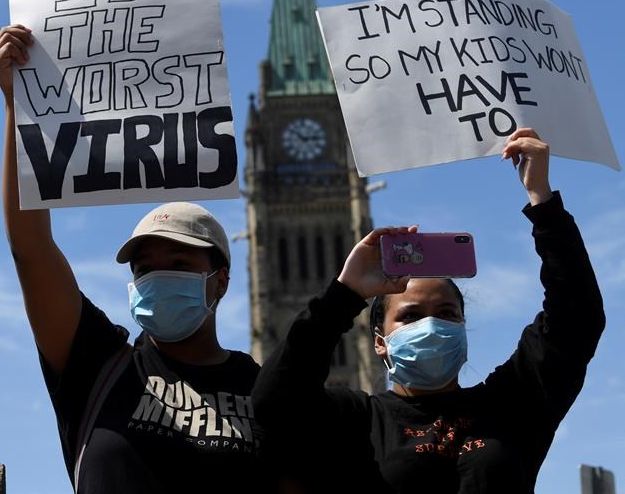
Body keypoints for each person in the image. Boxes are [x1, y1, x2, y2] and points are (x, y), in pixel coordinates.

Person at [0, 24, 269, 493]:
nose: (158, 276)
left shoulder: (265, 389)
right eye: (144, 267)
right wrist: (19, 104)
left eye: (179, 264)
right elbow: (31, 250)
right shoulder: (97, 363)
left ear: (220, 281)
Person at [252, 127, 605, 494]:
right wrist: (344, 294)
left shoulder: (508, 404)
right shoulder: (357, 421)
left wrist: (542, 200)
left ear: (464, 327)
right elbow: (274, 402)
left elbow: (576, 319)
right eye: (411, 315)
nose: (432, 324)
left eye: (447, 313)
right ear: (379, 342)